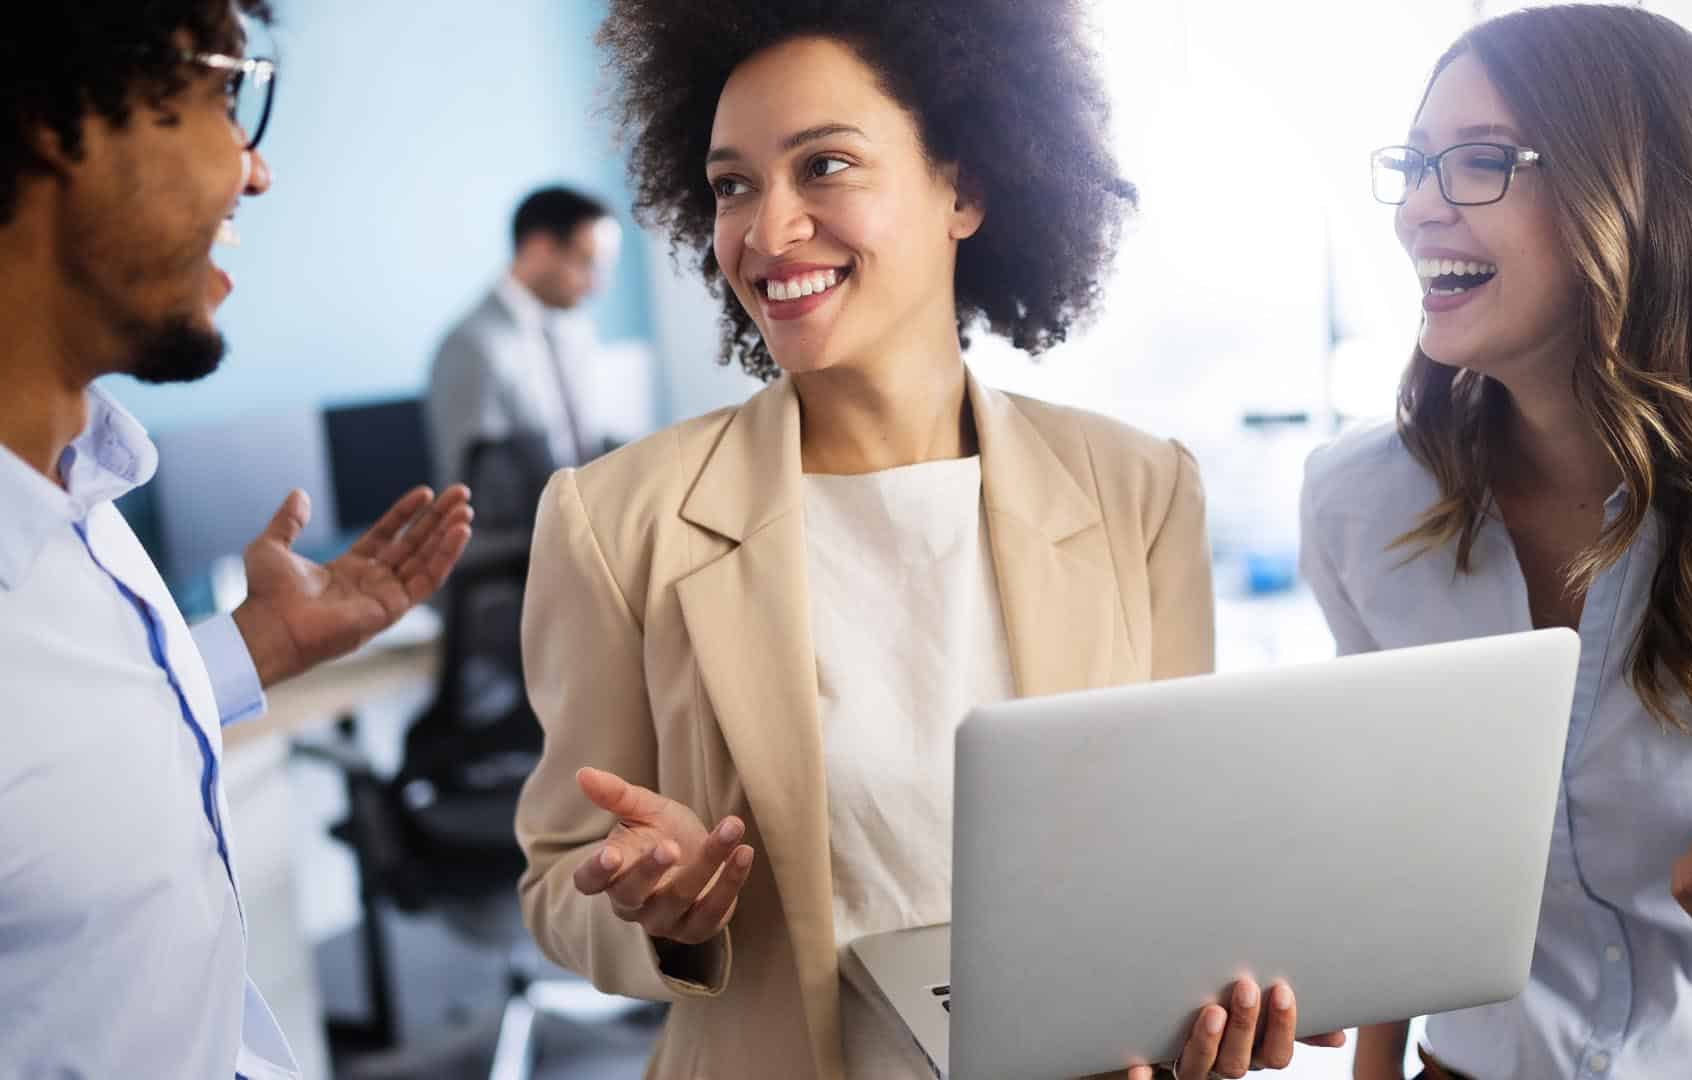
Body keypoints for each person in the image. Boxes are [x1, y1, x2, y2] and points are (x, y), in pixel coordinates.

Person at [512, 3, 1340, 1078]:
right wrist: (665, 913)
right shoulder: (619, 520)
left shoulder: (1139, 492)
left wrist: (1218, 991)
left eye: (825, 167)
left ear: (966, 188)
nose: (768, 232)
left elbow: (1171, 857)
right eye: (732, 186)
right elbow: (555, 876)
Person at [1311, 7, 1692, 1079]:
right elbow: (1399, 843)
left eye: (1480, 164)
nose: (1417, 209)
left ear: (1638, 193)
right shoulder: (1358, 507)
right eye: (1414, 164)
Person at [0, 5, 472, 1077]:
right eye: (225, 94)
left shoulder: (81, 503)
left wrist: (255, 646)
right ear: (50, 113)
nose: (252, 171)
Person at [427, 185, 634, 494]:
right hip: (525, 538)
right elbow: (480, 491)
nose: (596, 286)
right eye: (586, 263)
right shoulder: (470, 345)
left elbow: (583, 443)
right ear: (539, 248)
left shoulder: (575, 329)